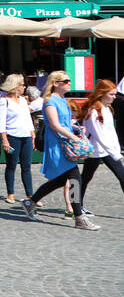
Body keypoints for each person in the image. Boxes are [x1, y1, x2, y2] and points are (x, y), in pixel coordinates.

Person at [22, 71, 99, 230]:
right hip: (58, 145)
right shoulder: (50, 101)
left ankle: (30, 202)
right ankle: (79, 217)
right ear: (55, 83)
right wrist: (74, 137)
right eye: (66, 81)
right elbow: (55, 125)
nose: (69, 83)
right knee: (75, 179)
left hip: (65, 143)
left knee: (60, 180)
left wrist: (75, 128)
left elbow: (64, 122)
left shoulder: (62, 100)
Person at [76, 79, 124, 207]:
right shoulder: (93, 111)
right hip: (94, 150)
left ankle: (76, 206)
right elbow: (100, 135)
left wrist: (116, 149)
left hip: (104, 150)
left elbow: (111, 132)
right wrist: (116, 154)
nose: (115, 97)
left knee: (122, 176)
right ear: (102, 93)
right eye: (111, 94)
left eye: (115, 94)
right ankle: (75, 206)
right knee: (83, 178)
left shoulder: (107, 108)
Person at [0, 73, 40, 202]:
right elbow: (0, 122)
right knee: (11, 166)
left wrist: (32, 134)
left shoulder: (24, 101)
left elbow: (28, 119)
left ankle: (30, 195)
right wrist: (4, 139)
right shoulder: (4, 101)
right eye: (22, 84)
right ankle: (11, 193)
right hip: (12, 137)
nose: (24, 86)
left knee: (27, 166)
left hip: (25, 136)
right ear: (15, 86)